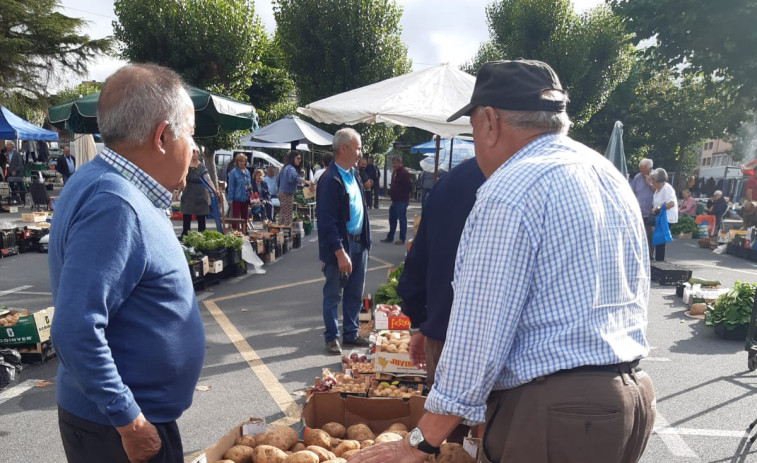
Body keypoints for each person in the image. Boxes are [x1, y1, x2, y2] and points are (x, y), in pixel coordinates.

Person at [352, 59, 654, 463]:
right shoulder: (606, 173)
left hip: (556, 412)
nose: (475, 141)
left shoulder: (511, 188)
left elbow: (478, 336)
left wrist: (420, 441)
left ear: (490, 121)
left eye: (473, 127)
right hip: (629, 399)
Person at [48, 63, 205, 463]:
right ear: (162, 136)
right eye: (190, 134)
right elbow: (74, 328)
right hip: (120, 430)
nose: (195, 148)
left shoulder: (100, 183)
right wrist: (129, 421)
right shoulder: (115, 204)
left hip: (117, 423)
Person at [397, 158, 485, 444]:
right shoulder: (542, 178)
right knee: (493, 437)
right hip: (516, 351)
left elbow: (418, 259)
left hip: (446, 333)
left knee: (449, 440)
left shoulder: (450, 182)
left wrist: (422, 321)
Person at [316, 128, 371, 355]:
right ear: (344, 148)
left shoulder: (353, 174)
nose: (360, 153)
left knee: (355, 292)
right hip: (342, 246)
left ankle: (351, 332)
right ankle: (332, 337)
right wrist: (340, 252)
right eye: (357, 148)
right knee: (333, 293)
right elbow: (327, 223)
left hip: (359, 243)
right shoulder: (330, 180)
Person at [180, 145, 214, 237]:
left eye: (195, 152)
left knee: (201, 216)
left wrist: (214, 190)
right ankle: (185, 235)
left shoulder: (202, 167)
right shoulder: (185, 165)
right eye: (192, 151)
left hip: (200, 193)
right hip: (188, 193)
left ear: (198, 154)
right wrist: (178, 191)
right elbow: (181, 178)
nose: (194, 154)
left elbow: (208, 179)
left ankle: (201, 235)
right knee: (186, 215)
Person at [380, 157, 412, 244]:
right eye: (393, 163)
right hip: (395, 200)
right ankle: (390, 237)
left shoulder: (404, 173)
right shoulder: (396, 172)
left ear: (400, 163)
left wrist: (402, 194)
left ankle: (402, 238)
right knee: (392, 218)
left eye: (395, 163)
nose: (393, 165)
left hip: (401, 200)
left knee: (402, 219)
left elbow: (409, 186)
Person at [277, 151, 312, 226]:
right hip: (287, 194)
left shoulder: (285, 167)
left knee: (283, 215)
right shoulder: (291, 169)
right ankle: (286, 234)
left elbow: (278, 179)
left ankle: (279, 233)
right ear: (293, 158)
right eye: (298, 158)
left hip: (281, 193)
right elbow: (295, 176)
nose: (300, 160)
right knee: (288, 216)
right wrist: (306, 182)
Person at [650, 168, 678, 261]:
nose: (652, 182)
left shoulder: (666, 188)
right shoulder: (658, 189)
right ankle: (659, 260)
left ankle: (660, 261)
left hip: (667, 217)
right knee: (659, 239)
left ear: (659, 181)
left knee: (660, 240)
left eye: (653, 180)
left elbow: (671, 203)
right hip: (661, 217)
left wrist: (657, 208)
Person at [631, 158, 655, 257]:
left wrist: (648, 181)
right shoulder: (637, 177)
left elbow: (656, 190)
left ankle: (649, 255)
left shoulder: (656, 176)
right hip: (639, 210)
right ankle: (639, 254)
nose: (641, 172)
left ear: (649, 168)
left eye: (643, 169)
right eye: (640, 169)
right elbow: (633, 191)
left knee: (649, 234)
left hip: (650, 211)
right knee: (638, 233)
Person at [227, 153, 252, 232]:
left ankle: (244, 231)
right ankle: (235, 232)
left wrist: (249, 186)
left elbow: (249, 183)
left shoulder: (247, 172)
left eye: (243, 161)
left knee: (245, 216)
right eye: (240, 161)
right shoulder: (233, 172)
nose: (242, 163)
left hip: (245, 197)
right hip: (236, 198)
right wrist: (230, 199)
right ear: (237, 162)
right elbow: (231, 187)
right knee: (236, 217)